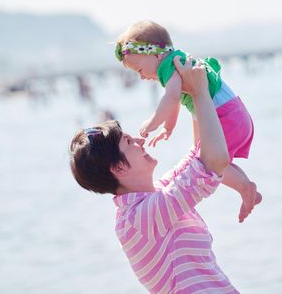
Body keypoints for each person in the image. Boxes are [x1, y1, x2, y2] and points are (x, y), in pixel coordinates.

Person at [69, 59, 240, 293]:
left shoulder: (153, 195)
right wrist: (199, 93)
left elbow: (199, 154)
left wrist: (189, 94)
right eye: (129, 142)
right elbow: (213, 162)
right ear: (118, 168)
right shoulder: (138, 218)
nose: (140, 141)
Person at [114, 20, 261, 222]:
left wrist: (153, 121)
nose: (142, 77)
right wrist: (169, 127)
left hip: (225, 117)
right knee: (214, 162)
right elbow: (175, 101)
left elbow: (171, 98)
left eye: (139, 70)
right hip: (235, 114)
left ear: (155, 53)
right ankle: (246, 186)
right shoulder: (178, 62)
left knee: (207, 164)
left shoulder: (170, 66)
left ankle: (244, 187)